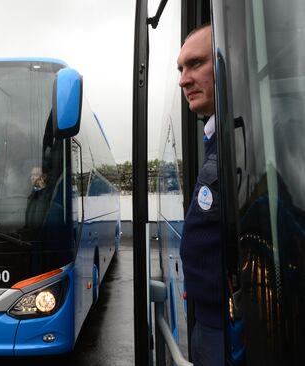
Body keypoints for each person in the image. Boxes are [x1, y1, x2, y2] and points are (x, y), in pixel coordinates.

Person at [177, 23, 223, 366]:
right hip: (209, 320)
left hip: (224, 325)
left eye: (195, 64)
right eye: (181, 68)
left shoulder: (235, 140)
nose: (183, 79)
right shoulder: (216, 139)